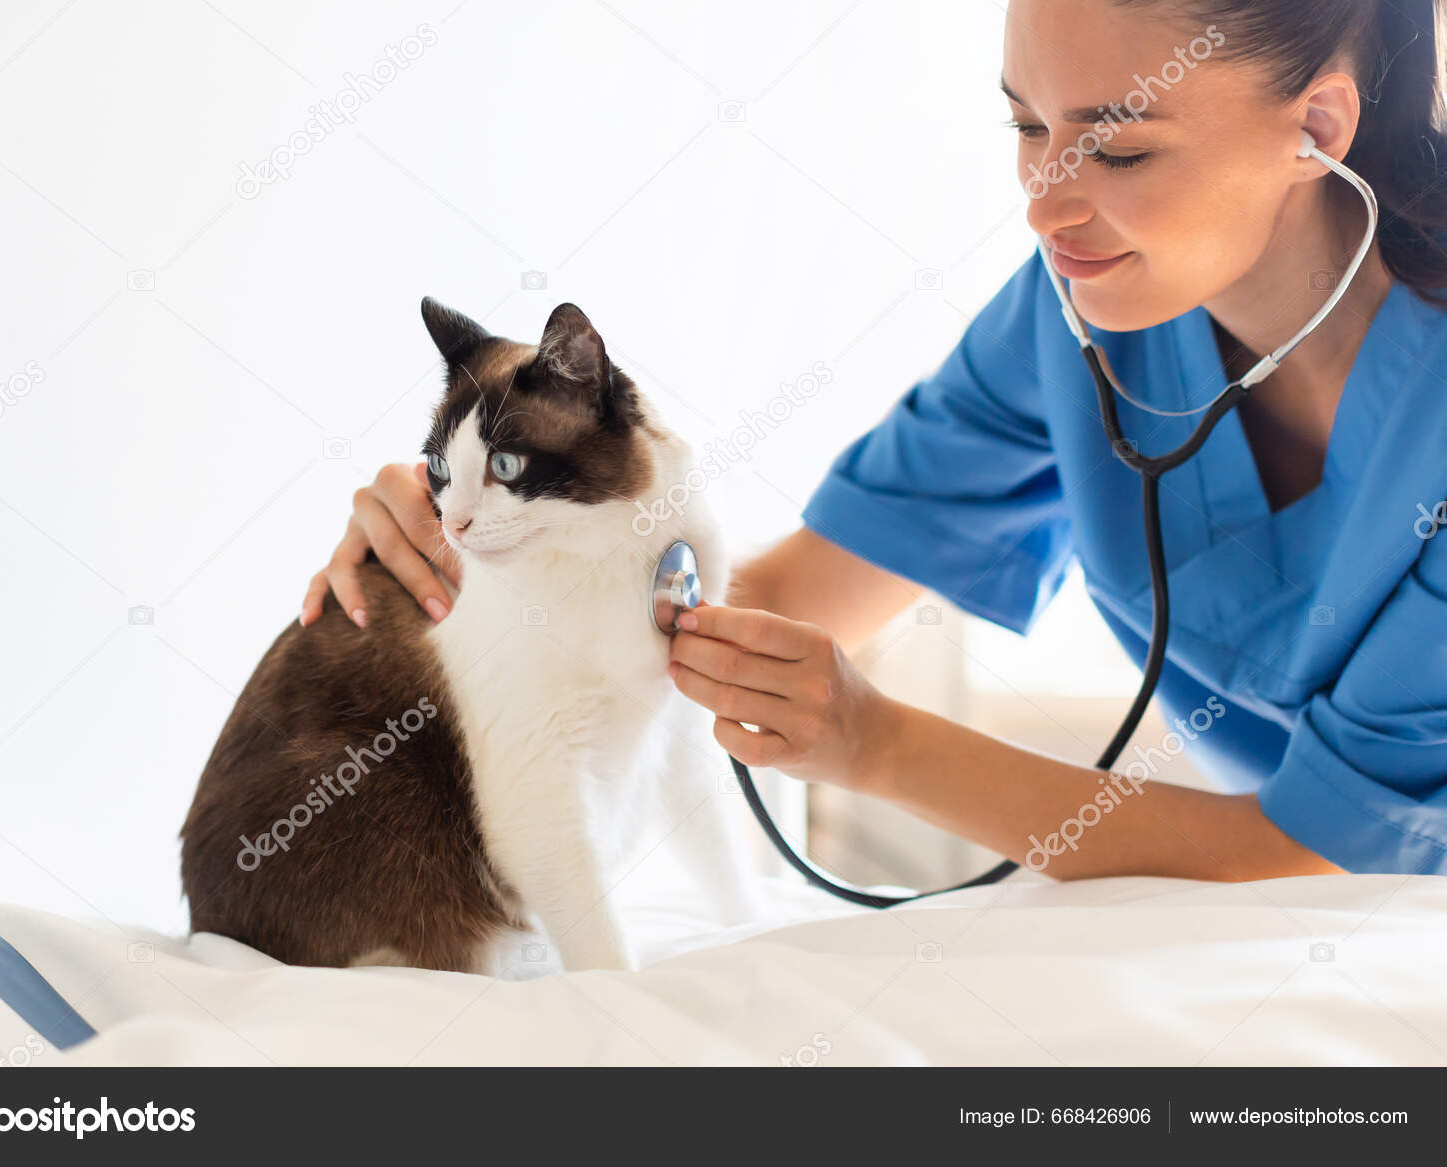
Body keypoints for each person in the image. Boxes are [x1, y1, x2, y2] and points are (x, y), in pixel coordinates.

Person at [304, 0, 1447, 881]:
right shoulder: (1076, 316)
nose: (1045, 202)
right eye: (1026, 126)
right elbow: (784, 604)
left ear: (1318, 127)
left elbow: (1314, 851)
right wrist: (470, 587)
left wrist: (873, 746)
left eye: (1119, 149)